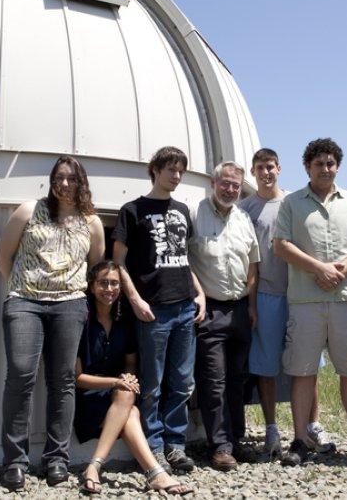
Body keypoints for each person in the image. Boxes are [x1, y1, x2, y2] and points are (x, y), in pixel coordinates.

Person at [0, 156, 105, 489]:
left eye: (72, 178)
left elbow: (95, 266)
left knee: (63, 381)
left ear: (81, 182)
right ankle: (15, 462)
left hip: (69, 305)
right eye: (59, 178)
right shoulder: (29, 210)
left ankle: (57, 459)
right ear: (51, 180)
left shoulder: (92, 222)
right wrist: (21, 290)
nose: (65, 184)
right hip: (24, 303)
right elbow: (3, 256)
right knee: (20, 375)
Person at [273, 138, 347, 465]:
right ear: (307, 167)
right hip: (305, 301)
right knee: (303, 371)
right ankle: (299, 440)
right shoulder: (292, 203)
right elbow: (281, 245)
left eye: (331, 163)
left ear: (338, 166)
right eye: (319, 163)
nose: (325, 168)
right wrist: (319, 268)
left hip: (345, 300)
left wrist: (342, 270)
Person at [112, 146, 206, 474]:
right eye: (171, 169)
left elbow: (183, 258)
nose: (176, 176)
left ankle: (175, 445)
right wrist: (135, 299)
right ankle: (152, 448)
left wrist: (200, 293)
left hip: (184, 308)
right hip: (153, 311)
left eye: (180, 170)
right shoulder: (132, 211)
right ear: (155, 170)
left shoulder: (182, 210)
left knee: (182, 381)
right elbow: (119, 262)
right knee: (152, 384)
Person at [238, 148, 333, 460]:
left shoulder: (295, 202)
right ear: (252, 173)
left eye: (271, 167)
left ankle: (311, 425)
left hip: (300, 294)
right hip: (267, 294)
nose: (266, 173)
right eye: (260, 168)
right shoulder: (245, 209)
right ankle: (271, 428)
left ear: (279, 169)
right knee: (266, 366)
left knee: (306, 366)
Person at [74, 261, 192, 495]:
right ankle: (154, 473)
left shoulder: (123, 321)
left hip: (116, 397)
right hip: (87, 399)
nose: (109, 289)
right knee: (130, 404)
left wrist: (127, 378)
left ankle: (96, 467)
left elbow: (130, 365)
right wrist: (117, 382)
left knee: (130, 402)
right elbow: (77, 378)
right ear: (91, 286)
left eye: (115, 283)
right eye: (103, 283)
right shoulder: (81, 321)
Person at [188, 161, 260, 471]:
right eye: (225, 183)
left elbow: (253, 265)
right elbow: (184, 260)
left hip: (241, 309)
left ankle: (235, 440)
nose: (230, 189)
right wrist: (198, 294)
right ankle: (218, 445)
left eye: (235, 185)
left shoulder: (243, 218)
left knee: (237, 380)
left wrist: (253, 305)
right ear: (213, 183)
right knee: (213, 381)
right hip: (212, 310)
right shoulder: (194, 214)